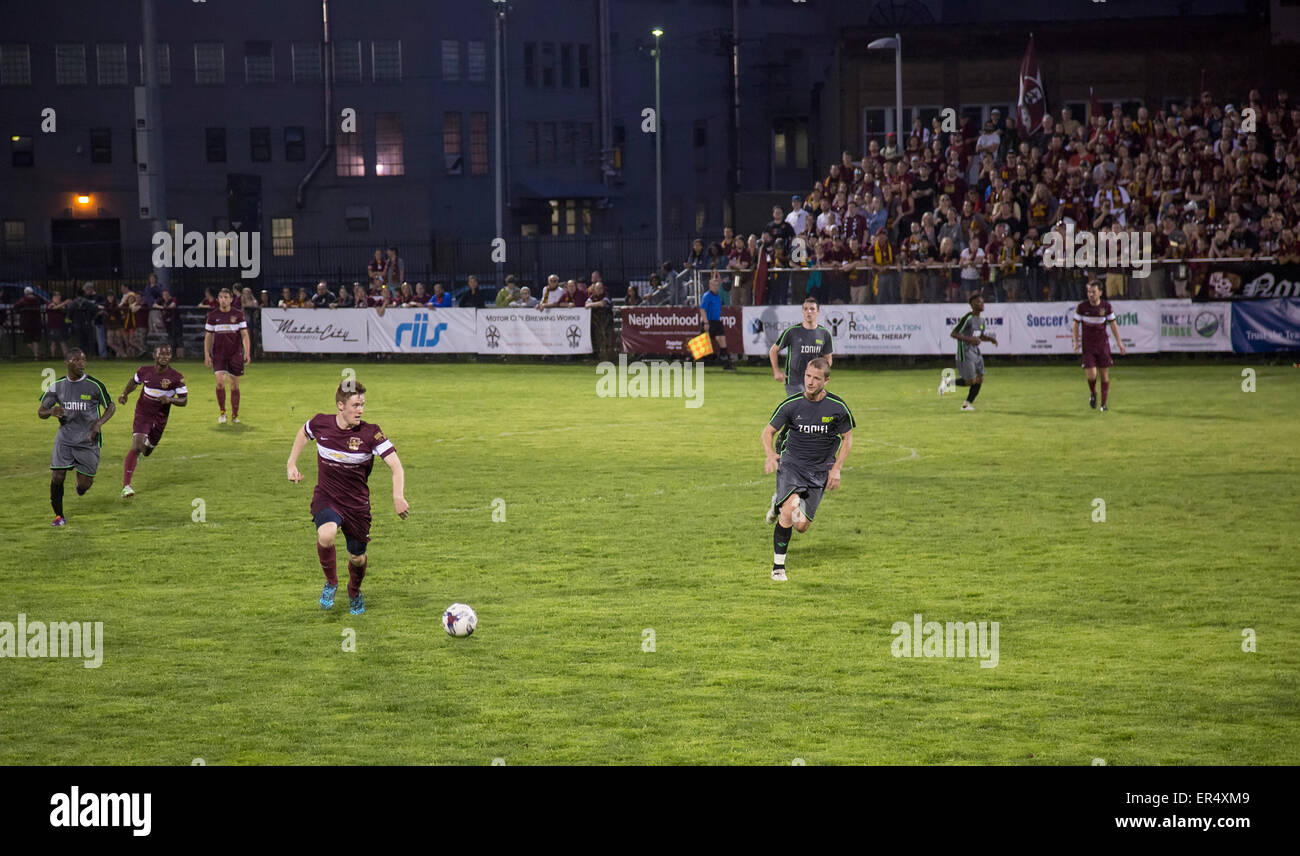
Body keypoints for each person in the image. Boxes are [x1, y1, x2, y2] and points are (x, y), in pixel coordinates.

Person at [286, 381, 408, 615]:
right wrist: (291, 463)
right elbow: (304, 432)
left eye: (362, 405)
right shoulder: (321, 423)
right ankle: (331, 583)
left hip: (356, 505)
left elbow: (396, 467)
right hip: (328, 497)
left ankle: (354, 591)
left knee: (358, 558)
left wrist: (398, 497)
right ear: (340, 406)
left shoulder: (371, 433)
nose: (360, 410)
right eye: (355, 405)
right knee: (326, 533)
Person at [760, 357, 854, 582]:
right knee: (789, 509)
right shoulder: (791, 404)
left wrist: (837, 469)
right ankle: (778, 568)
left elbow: (847, 438)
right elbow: (767, 432)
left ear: (826, 380)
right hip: (791, 463)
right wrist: (770, 454)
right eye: (808, 376)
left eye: (816, 378)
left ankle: (777, 502)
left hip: (820, 470)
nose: (810, 382)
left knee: (801, 525)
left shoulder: (838, 407)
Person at [38, 348, 115, 526]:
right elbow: (41, 412)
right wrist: (51, 411)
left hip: (88, 440)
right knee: (58, 475)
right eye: (77, 360)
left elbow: (111, 406)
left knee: (85, 484)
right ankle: (59, 516)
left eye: (84, 360)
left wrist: (99, 423)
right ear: (68, 362)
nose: (82, 363)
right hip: (65, 439)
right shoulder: (57, 386)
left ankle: (81, 488)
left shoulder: (94, 385)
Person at [117, 344, 188, 498]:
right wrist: (124, 394)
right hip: (143, 413)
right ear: (154, 355)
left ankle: (144, 449)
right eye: (162, 354)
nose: (165, 357)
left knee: (147, 451)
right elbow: (134, 382)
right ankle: (126, 486)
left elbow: (184, 401)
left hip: (160, 417)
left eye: (168, 354)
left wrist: (170, 399)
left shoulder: (176, 377)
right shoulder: (144, 371)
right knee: (137, 446)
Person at [1072, 279, 1127, 411]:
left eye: (1094, 292)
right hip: (1088, 346)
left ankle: (1103, 404)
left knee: (1104, 375)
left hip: (1102, 345)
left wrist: (1119, 343)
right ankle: (1093, 393)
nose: (1091, 294)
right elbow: (1075, 325)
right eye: (1089, 292)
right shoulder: (1082, 307)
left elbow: (1113, 325)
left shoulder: (1106, 307)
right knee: (1091, 375)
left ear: (1100, 292)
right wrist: (1075, 342)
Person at [938, 293, 997, 410]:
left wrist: (990, 339)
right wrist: (970, 339)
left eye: (982, 301)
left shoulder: (981, 320)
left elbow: (979, 336)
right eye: (979, 302)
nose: (982, 304)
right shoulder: (968, 318)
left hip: (976, 352)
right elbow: (953, 333)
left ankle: (966, 404)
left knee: (980, 379)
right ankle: (948, 382)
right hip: (964, 352)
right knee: (970, 381)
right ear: (973, 304)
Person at [204, 287, 251, 424]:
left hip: (235, 354)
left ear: (231, 299)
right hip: (219, 355)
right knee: (220, 382)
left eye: (226, 297)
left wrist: (247, 352)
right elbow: (208, 336)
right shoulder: (212, 316)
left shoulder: (238, 314)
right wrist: (207, 354)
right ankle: (222, 412)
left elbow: (244, 334)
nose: (223, 300)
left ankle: (235, 415)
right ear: (218, 299)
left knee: (234, 386)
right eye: (221, 297)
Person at [769, 296, 833, 397]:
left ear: (818, 312)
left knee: (813, 410)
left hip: (814, 381)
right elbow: (773, 350)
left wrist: (824, 375)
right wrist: (776, 372)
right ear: (802, 312)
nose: (809, 312)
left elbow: (828, 357)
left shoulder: (824, 333)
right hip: (794, 381)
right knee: (800, 409)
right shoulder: (792, 331)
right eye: (806, 309)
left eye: (812, 309)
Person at [698, 271, 734, 370]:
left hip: (717, 322)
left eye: (717, 285)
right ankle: (695, 360)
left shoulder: (717, 296)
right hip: (708, 322)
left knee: (721, 339)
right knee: (703, 343)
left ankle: (726, 362)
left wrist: (716, 275)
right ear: (710, 285)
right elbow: (702, 309)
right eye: (714, 285)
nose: (716, 287)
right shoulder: (707, 296)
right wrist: (705, 322)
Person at [14, 287, 44, 359]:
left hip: (27, 323)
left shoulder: (23, 300)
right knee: (35, 340)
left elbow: (15, 307)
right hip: (36, 323)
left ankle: (37, 354)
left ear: (25, 293)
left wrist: (21, 311)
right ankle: (37, 355)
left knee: (28, 341)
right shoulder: (37, 299)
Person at [45, 291, 71, 359]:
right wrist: (64, 303)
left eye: (59, 296)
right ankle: (53, 357)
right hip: (53, 326)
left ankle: (66, 357)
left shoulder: (62, 304)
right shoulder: (50, 303)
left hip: (62, 326)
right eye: (57, 296)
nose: (59, 297)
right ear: (53, 297)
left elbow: (65, 310)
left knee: (63, 342)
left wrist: (64, 304)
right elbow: (54, 308)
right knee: (53, 342)